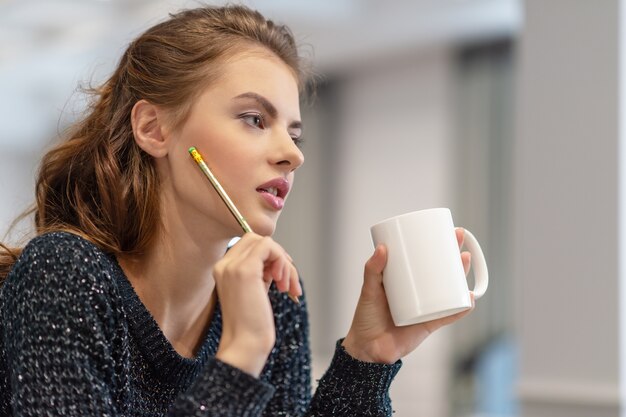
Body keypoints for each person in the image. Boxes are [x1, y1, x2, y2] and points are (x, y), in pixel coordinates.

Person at [0, 5, 474, 416]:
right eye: (254, 119)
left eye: (294, 133)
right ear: (153, 129)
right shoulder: (63, 273)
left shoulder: (272, 300)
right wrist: (242, 354)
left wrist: (368, 357)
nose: (293, 154)